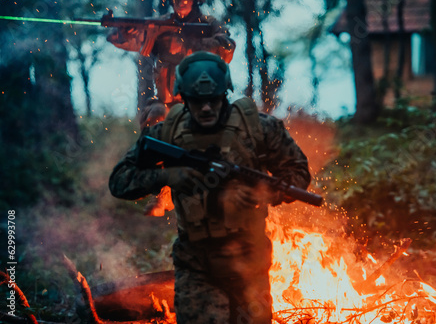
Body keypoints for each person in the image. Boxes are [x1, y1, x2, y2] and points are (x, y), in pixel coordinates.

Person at [109, 51, 311, 323]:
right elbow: (119, 181)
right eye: (197, 101)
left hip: (249, 261)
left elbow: (298, 172)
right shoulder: (168, 133)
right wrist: (168, 176)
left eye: (213, 100)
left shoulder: (258, 129)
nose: (206, 108)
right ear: (183, 97)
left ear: (224, 94)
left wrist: (267, 193)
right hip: (196, 265)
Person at [107, 0, 236, 128]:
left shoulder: (209, 24)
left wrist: (191, 45)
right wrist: (124, 34)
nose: (181, 2)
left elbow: (227, 48)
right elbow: (130, 42)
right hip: (167, 103)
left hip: (204, 101)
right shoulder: (160, 25)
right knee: (155, 117)